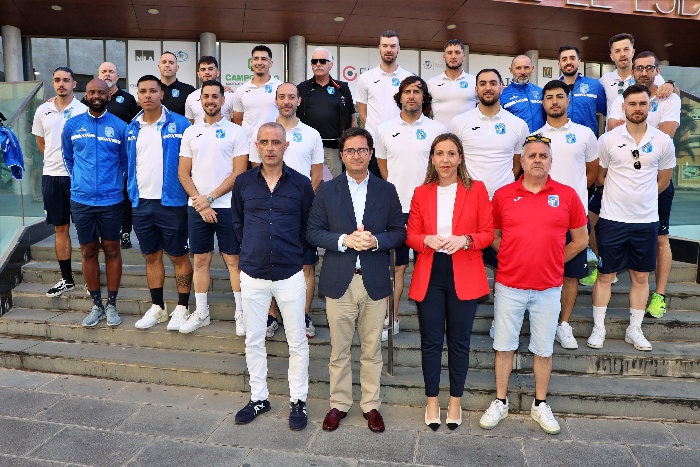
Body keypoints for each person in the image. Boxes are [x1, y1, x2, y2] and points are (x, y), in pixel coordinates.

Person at [479, 134, 588, 435]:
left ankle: (540, 404)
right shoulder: (503, 195)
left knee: (543, 350)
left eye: (543, 155)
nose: (537, 159)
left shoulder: (567, 196)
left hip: (549, 288)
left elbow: (581, 240)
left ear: (551, 161)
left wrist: (554, 259)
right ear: (522, 161)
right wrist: (513, 254)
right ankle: (500, 401)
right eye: (532, 155)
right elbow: (493, 234)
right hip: (510, 285)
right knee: (503, 347)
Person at [307, 127, 405, 433]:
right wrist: (344, 240)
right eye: (350, 151)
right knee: (339, 349)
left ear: (371, 153)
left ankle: (371, 405)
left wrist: (375, 241)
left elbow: (400, 232)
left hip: (374, 280)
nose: (357, 156)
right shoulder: (327, 189)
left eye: (362, 150)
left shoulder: (386, 190)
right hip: (340, 280)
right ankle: (339, 404)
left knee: (371, 348)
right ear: (342, 155)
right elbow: (312, 231)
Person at [406, 133, 493, 431]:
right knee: (430, 342)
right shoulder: (421, 193)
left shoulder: (477, 190)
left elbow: (487, 234)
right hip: (430, 272)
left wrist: (466, 240)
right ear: (432, 158)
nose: (445, 160)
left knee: (459, 342)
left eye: (451, 154)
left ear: (460, 158)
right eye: (440, 153)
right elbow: (412, 236)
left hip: (463, 271)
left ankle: (455, 400)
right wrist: (426, 239)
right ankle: (432, 400)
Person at [231, 121, 314, 431]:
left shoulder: (302, 184)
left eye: (275, 142)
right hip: (252, 273)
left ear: (285, 146)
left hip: (290, 272)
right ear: (257, 145)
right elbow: (237, 223)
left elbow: (307, 226)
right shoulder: (243, 183)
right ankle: (259, 398)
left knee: (297, 341)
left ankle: (298, 401)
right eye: (263, 142)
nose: (269, 147)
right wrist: (251, 248)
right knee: (254, 340)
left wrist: (303, 261)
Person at [586, 84, 676, 352]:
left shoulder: (663, 141)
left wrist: (641, 198)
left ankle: (634, 329)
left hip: (645, 222)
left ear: (650, 106)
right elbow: (600, 177)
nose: (637, 108)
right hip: (612, 219)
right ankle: (598, 328)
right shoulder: (608, 139)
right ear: (623, 107)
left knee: (640, 277)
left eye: (642, 104)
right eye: (632, 104)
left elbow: (663, 181)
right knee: (605, 275)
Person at [606, 52, 681, 318]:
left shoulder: (670, 97)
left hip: (657, 177)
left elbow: (667, 135)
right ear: (633, 70)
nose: (644, 72)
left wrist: (641, 130)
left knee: (661, 238)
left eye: (649, 68)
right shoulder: (621, 98)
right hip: (624, 178)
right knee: (596, 217)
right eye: (639, 68)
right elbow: (614, 128)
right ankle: (606, 271)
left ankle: (659, 294)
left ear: (657, 70)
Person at [249, 82, 324, 339]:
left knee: (306, 264)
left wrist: (301, 201)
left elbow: (316, 175)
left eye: (292, 97)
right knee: (271, 263)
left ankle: (302, 317)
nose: (287, 101)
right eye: (282, 97)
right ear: (276, 100)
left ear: (299, 101)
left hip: (301, 212)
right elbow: (253, 172)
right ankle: (271, 317)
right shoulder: (263, 132)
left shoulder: (312, 134)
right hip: (268, 210)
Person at [376, 75, 446, 341]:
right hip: (396, 209)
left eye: (417, 91)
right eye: (407, 91)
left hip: (429, 207)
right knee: (396, 268)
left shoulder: (437, 129)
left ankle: (434, 319)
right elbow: (383, 168)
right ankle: (391, 318)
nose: (412, 96)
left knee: (431, 266)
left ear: (424, 97)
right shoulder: (384, 129)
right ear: (400, 97)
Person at [178, 80, 249, 334]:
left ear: (223, 100)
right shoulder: (190, 132)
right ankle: (202, 312)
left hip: (228, 205)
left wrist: (210, 198)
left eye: (215, 96)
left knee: (233, 261)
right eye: (206, 96)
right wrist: (201, 201)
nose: (210, 100)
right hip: (197, 206)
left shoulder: (236, 132)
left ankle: (241, 314)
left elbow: (240, 173)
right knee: (200, 260)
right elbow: (183, 173)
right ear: (200, 101)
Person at [125, 75, 193, 330]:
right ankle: (158, 308)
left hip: (172, 203)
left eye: (153, 91)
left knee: (178, 256)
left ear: (162, 93)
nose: (148, 96)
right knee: (151, 256)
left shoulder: (182, 124)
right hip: (141, 203)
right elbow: (128, 163)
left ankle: (183, 307)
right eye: (142, 91)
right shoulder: (132, 128)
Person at [535, 80, 599, 350]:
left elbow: (593, 173)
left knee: (570, 274)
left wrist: (568, 201)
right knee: (540, 271)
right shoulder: (536, 136)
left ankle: (563, 324)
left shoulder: (585, 134)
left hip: (574, 218)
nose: (554, 102)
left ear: (568, 100)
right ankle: (540, 324)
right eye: (549, 97)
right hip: (541, 218)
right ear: (543, 103)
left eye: (559, 96)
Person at [61, 79, 128, 327]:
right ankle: (96, 305)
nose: (96, 95)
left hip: (111, 200)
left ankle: (112, 304)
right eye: (92, 92)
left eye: (101, 92)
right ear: (85, 95)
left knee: (112, 249)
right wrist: (80, 182)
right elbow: (68, 159)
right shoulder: (72, 125)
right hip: (82, 200)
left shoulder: (121, 127)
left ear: (108, 95)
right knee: (88, 251)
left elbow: (125, 163)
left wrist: (113, 185)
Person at [32, 67, 88, 298]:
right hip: (52, 177)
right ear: (53, 83)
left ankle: (90, 278)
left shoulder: (83, 110)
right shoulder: (42, 110)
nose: (61, 84)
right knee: (60, 227)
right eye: (57, 80)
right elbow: (41, 143)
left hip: (78, 177)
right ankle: (67, 279)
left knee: (86, 230)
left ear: (74, 84)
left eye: (66, 80)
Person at [449, 68, 529, 200]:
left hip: (505, 200)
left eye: (493, 83)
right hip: (469, 200)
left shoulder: (519, 125)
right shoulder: (458, 122)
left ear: (502, 88)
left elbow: (517, 166)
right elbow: (454, 162)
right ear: (476, 90)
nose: (488, 88)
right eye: (482, 84)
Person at [85, 62, 140, 250]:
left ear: (118, 76)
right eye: (104, 72)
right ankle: (104, 233)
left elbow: (136, 124)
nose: (107, 74)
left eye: (111, 72)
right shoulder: (91, 99)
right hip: (97, 161)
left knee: (124, 196)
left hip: (122, 158)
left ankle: (125, 233)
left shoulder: (128, 98)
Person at [355, 30, 413, 178]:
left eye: (393, 46)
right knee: (374, 190)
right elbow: (362, 110)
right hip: (374, 145)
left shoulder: (409, 78)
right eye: (385, 46)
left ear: (399, 49)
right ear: (379, 48)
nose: (389, 50)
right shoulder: (366, 78)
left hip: (401, 145)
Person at [297, 47, 357, 178]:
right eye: (314, 61)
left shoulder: (342, 88)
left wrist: (352, 144)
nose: (318, 64)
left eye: (323, 61)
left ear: (331, 64)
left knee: (332, 189)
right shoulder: (302, 88)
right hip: (308, 148)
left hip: (334, 149)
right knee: (307, 186)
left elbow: (352, 118)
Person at [599, 33, 671, 119]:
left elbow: (670, 94)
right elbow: (602, 107)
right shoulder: (605, 80)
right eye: (617, 51)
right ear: (611, 56)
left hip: (643, 130)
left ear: (633, 52)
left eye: (626, 49)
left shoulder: (650, 76)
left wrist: (670, 84)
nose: (622, 54)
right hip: (614, 130)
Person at [232, 45, 283, 141]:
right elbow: (237, 120)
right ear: (251, 63)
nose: (259, 62)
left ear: (270, 63)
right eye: (256, 59)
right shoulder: (241, 90)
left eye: (264, 59)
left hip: (275, 144)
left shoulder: (280, 87)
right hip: (248, 145)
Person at [426, 39, 476, 128]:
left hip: (468, 137)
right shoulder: (431, 82)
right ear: (444, 56)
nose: (453, 56)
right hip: (441, 137)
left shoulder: (475, 81)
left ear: (464, 56)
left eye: (457, 52)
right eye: (449, 53)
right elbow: (424, 111)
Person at [557, 45, 607, 135]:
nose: (568, 62)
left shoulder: (595, 85)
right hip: (560, 141)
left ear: (579, 62)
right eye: (564, 59)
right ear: (559, 64)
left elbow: (606, 110)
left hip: (587, 141)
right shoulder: (553, 88)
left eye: (572, 58)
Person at [500, 55, 545, 133]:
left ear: (532, 69)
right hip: (516, 143)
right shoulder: (503, 95)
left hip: (538, 142)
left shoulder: (540, 92)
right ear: (511, 70)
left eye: (526, 67)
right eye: (518, 68)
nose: (523, 72)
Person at [185, 56, 235, 124]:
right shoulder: (191, 97)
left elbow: (235, 123)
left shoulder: (230, 96)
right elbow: (190, 124)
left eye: (210, 69)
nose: (207, 72)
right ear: (198, 74)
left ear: (218, 73)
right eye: (203, 69)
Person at [159, 51, 196, 117]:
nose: (167, 65)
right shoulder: (152, 89)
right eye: (164, 62)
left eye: (171, 63)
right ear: (159, 67)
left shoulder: (188, 90)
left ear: (177, 67)